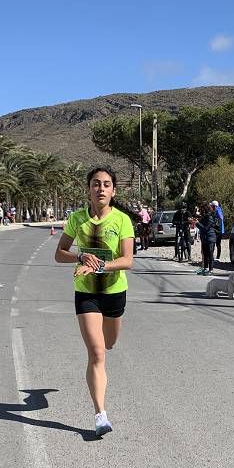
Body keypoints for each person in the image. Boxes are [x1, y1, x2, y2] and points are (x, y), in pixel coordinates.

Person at [53, 167, 135, 436]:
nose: (101, 188)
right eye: (96, 184)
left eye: (106, 184)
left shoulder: (122, 220)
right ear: (88, 189)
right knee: (97, 353)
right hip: (86, 293)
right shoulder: (77, 219)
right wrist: (79, 257)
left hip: (114, 292)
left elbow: (127, 260)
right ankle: (101, 415)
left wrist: (99, 265)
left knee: (109, 344)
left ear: (113, 191)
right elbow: (59, 253)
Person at [196, 203, 216, 275]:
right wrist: (195, 222)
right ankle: (205, 268)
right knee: (205, 254)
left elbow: (205, 228)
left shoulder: (209, 217)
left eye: (201, 209)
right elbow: (201, 227)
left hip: (210, 238)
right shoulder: (204, 217)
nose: (200, 211)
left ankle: (211, 270)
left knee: (210, 254)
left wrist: (197, 223)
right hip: (204, 238)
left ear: (205, 209)